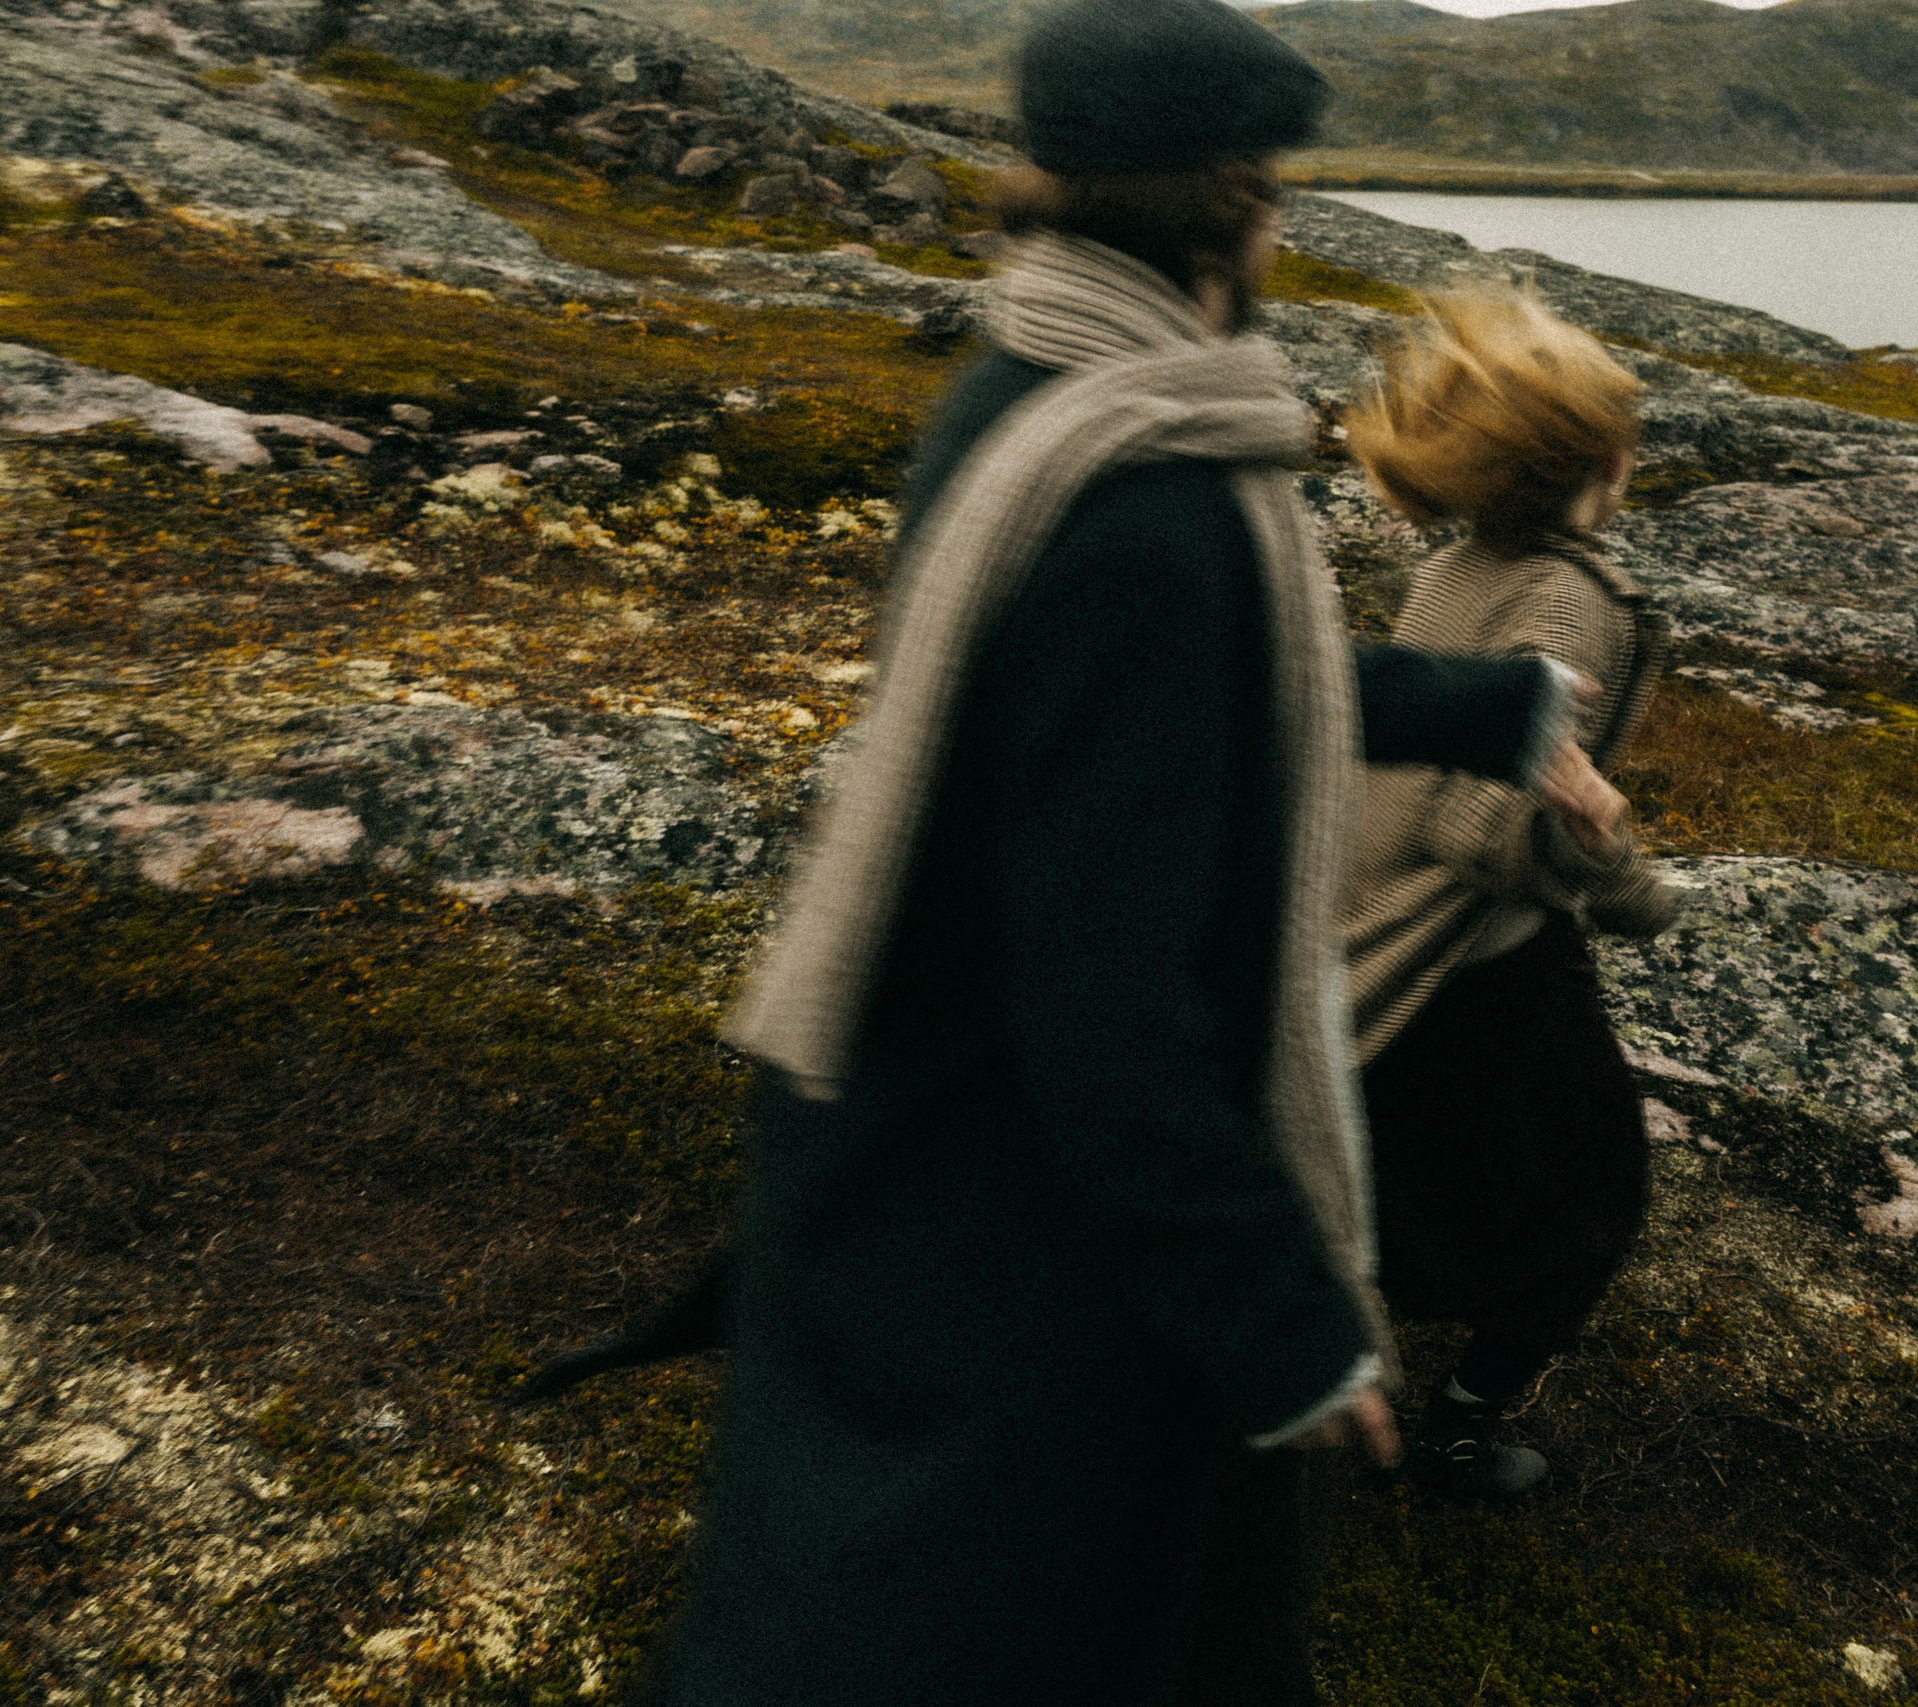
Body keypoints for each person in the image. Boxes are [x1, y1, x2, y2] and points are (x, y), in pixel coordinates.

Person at [637, 4, 1625, 1702]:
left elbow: (1207, 689)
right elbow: (1108, 994)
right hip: (1036, 1219)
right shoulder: (1144, 494)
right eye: (1273, 194)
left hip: (931, 1133)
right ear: (1235, 212)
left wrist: (1490, 705)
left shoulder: (1039, 399)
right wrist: (1280, 1316)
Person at [1341, 293, 1685, 1501]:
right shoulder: (1567, 599)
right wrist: (1629, 877)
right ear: (1595, 461)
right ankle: (1451, 1436)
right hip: (1477, 959)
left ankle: (1345, 1379)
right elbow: (1486, 824)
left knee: (1396, 1177)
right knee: (1588, 1200)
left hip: (1375, 934)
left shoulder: (1455, 565)